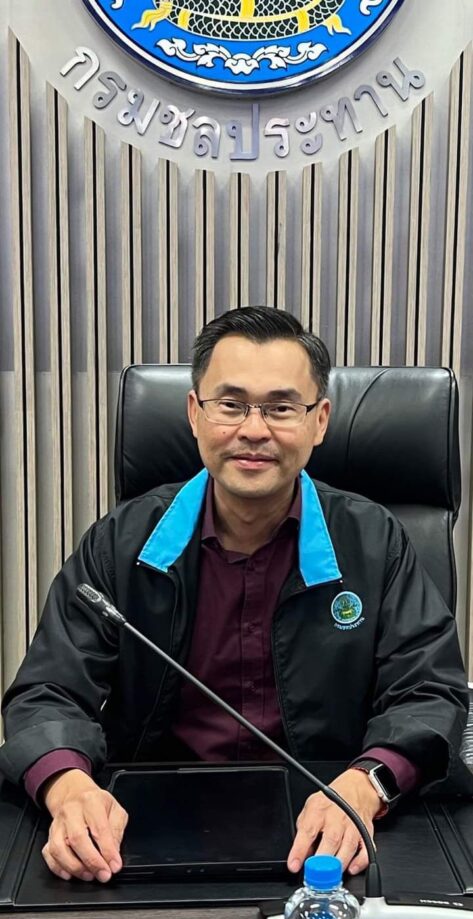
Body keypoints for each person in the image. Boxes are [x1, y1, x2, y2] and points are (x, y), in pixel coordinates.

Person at [0, 306, 468, 885]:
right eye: (231, 404)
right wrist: (68, 788)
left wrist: (365, 784)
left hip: (334, 824)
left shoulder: (376, 542)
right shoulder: (122, 543)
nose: (254, 430)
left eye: (281, 408)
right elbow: (48, 691)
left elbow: (428, 691)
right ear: (194, 414)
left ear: (320, 421)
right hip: (142, 830)